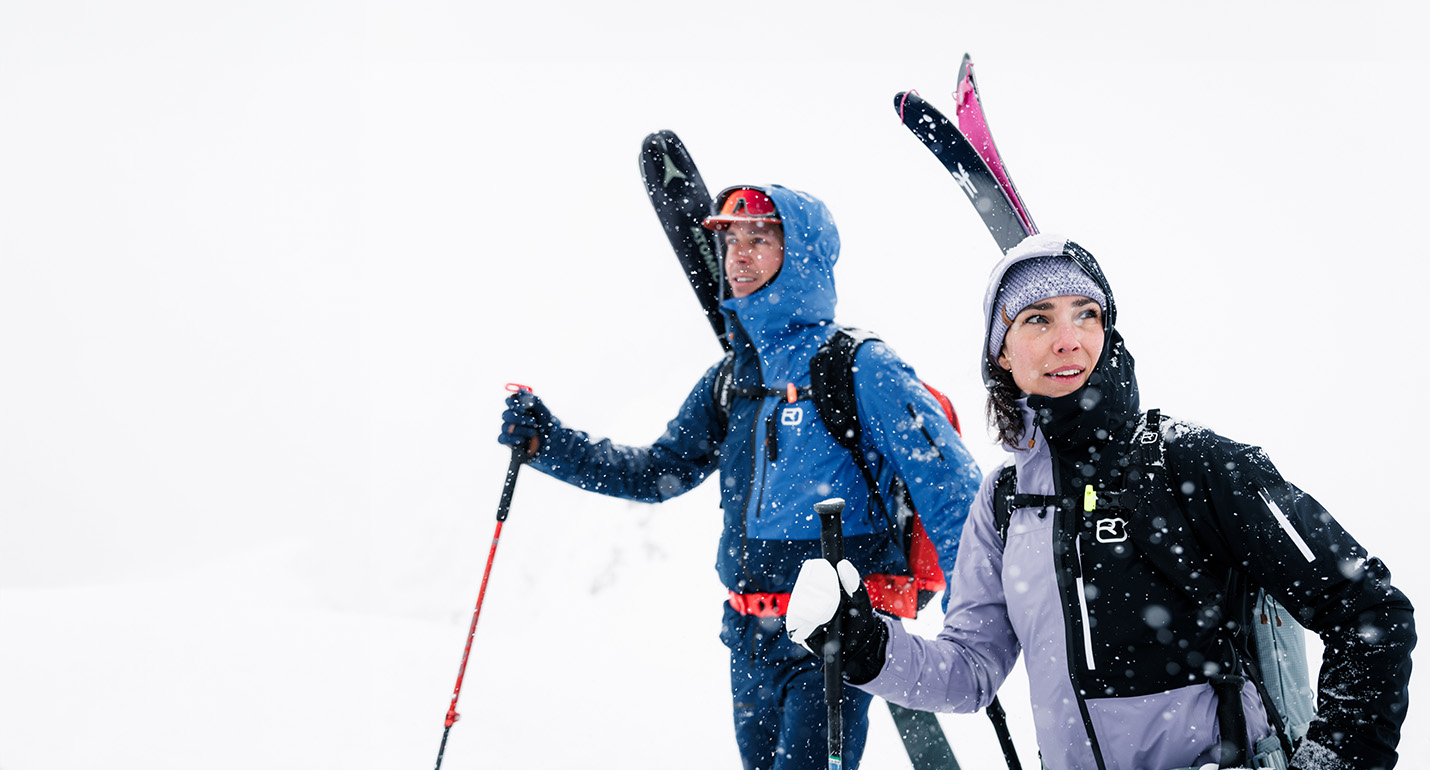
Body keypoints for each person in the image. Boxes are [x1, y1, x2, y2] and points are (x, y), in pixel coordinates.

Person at [785, 233, 1415, 770]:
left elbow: (1371, 613)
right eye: (1037, 319)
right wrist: (865, 645)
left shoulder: (1192, 463)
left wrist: (1334, 760)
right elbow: (972, 669)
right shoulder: (1006, 500)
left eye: (1085, 314)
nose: (1068, 340)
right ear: (1000, 354)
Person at [499, 185, 983, 770]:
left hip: (831, 637)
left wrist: (974, 635)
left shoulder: (860, 366)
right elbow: (660, 473)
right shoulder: (733, 378)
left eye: (760, 239)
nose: (739, 256)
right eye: (731, 241)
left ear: (802, 253)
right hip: (747, 637)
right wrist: (549, 443)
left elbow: (954, 496)